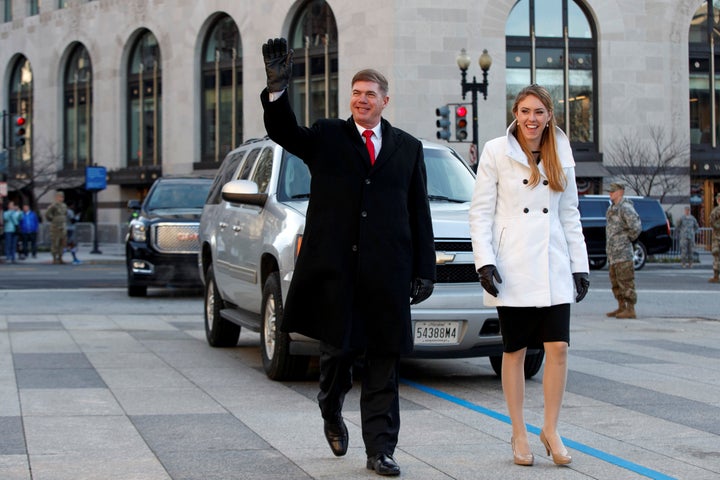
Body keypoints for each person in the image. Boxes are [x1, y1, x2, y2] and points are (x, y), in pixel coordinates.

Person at [261, 38, 436, 477]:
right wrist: (277, 89)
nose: (361, 100)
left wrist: (424, 269)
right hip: (338, 273)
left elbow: (419, 211)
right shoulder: (327, 137)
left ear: (384, 101)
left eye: (369, 94)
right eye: (356, 94)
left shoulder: (408, 148)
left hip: (387, 275)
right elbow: (284, 133)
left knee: (384, 363)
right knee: (337, 356)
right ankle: (330, 406)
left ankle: (380, 450)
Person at [469, 84, 589, 468]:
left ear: (550, 115)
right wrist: (484, 261)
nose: (531, 119)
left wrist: (580, 265)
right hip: (514, 264)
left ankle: (550, 429)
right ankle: (519, 431)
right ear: (515, 113)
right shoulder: (495, 150)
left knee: (558, 348)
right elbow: (480, 212)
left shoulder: (561, 151)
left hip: (553, 263)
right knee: (515, 350)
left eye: (538, 111)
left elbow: (569, 213)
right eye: (524, 111)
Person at [605, 183, 642, 319]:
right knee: (615, 281)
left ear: (620, 192)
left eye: (613, 191)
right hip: (613, 253)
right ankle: (621, 307)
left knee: (626, 281)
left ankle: (630, 308)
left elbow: (636, 227)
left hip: (623, 252)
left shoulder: (625, 208)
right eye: (610, 191)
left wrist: (626, 239)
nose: (610, 194)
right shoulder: (611, 208)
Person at [45, 191, 68, 264]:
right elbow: (47, 214)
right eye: (59, 197)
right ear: (56, 197)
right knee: (55, 243)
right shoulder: (53, 206)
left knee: (62, 243)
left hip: (63, 227)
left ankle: (60, 257)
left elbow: (65, 214)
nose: (61, 198)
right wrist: (53, 220)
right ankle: (54, 258)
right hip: (55, 227)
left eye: (62, 197)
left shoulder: (64, 205)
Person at [710, 192, 720, 283]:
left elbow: (712, 223)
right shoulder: (715, 211)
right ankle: (716, 276)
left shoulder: (715, 211)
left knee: (716, 256)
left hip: (717, 237)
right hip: (717, 237)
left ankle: (716, 276)